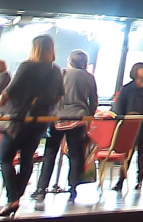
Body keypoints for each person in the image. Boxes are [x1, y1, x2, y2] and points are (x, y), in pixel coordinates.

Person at [0, 35, 65, 218]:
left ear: (34, 48)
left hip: (18, 118)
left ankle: (13, 197)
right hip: (40, 121)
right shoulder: (56, 71)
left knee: (5, 158)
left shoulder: (26, 66)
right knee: (27, 158)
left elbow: (9, 92)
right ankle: (16, 195)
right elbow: (59, 95)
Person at [39, 50, 99, 201]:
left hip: (57, 116)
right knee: (75, 154)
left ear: (70, 61)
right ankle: (73, 187)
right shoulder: (89, 78)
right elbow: (94, 100)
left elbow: (50, 95)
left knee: (50, 152)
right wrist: (89, 117)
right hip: (78, 117)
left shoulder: (62, 74)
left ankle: (41, 187)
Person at [111, 62, 143, 191]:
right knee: (128, 153)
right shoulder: (127, 88)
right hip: (130, 125)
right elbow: (120, 107)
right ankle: (121, 180)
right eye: (142, 69)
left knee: (142, 153)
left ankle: (140, 180)